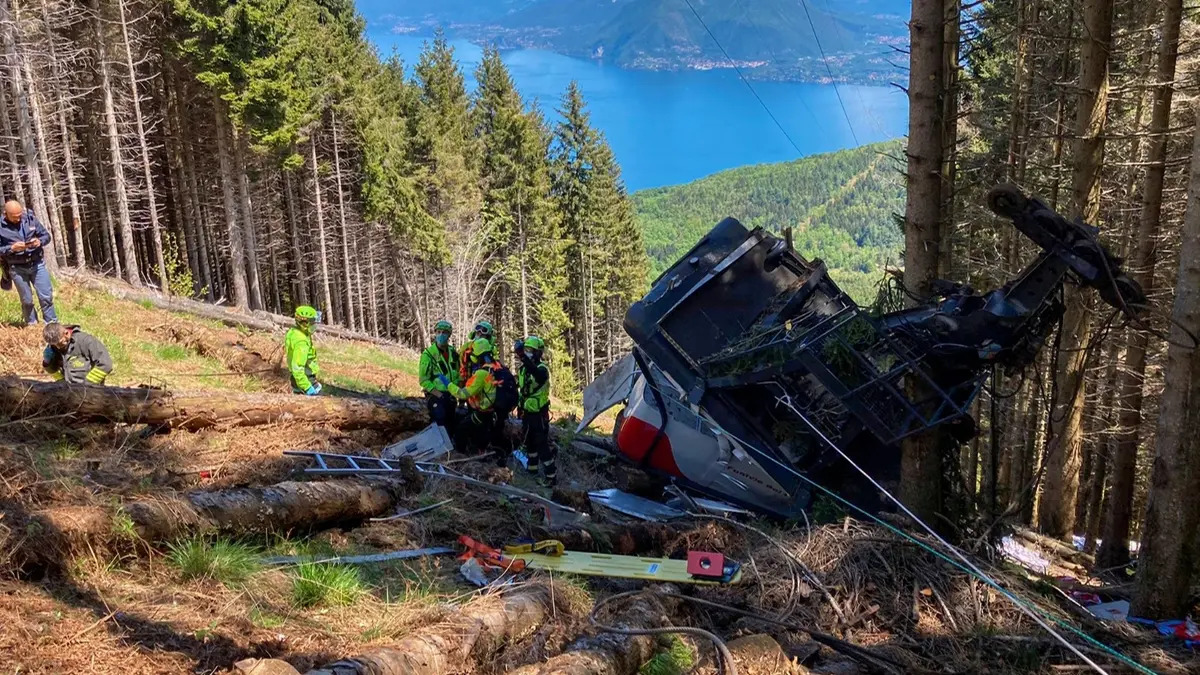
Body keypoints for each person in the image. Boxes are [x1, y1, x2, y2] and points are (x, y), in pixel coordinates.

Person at [0, 200, 56, 325]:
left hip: (37, 264)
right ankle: (31, 325)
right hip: (17, 267)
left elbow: (46, 236)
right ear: (6, 214)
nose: (18, 219)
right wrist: (12, 248)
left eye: (20, 215)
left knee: (46, 296)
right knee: (27, 300)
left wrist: (39, 241)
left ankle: (52, 324)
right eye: (14, 217)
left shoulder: (30, 219)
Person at [443, 337, 499, 455]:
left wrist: (448, 384)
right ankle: (480, 452)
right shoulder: (496, 368)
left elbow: (463, 394)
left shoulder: (481, 374)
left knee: (461, 430)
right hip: (491, 412)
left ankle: (460, 455)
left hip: (482, 413)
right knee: (478, 435)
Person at [516, 336, 553, 485]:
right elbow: (523, 390)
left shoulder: (542, 369)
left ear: (538, 352)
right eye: (526, 350)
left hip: (539, 414)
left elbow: (538, 376)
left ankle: (551, 476)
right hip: (527, 413)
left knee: (541, 445)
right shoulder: (523, 369)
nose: (528, 353)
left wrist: (523, 356)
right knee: (529, 443)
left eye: (530, 350)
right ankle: (532, 470)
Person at [419, 319, 460, 436]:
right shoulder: (428, 355)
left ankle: (451, 449)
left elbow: (457, 373)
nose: (441, 335)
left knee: (451, 423)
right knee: (439, 418)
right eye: (439, 332)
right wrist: (439, 394)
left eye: (444, 332)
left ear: (449, 335)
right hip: (436, 395)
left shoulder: (453, 353)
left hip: (451, 395)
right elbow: (423, 380)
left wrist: (458, 393)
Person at [42, 322, 112, 385]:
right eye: (55, 345)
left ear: (66, 333)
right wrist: (48, 363)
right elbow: (56, 372)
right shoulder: (53, 346)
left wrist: (87, 385)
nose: (58, 347)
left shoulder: (86, 341)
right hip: (68, 391)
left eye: (60, 344)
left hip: (90, 391)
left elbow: (105, 365)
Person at [286, 305, 323, 395]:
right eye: (312, 323)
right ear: (304, 324)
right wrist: (307, 387)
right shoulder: (301, 342)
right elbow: (297, 368)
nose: (315, 325)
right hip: (305, 379)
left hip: (301, 379)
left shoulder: (295, 332)